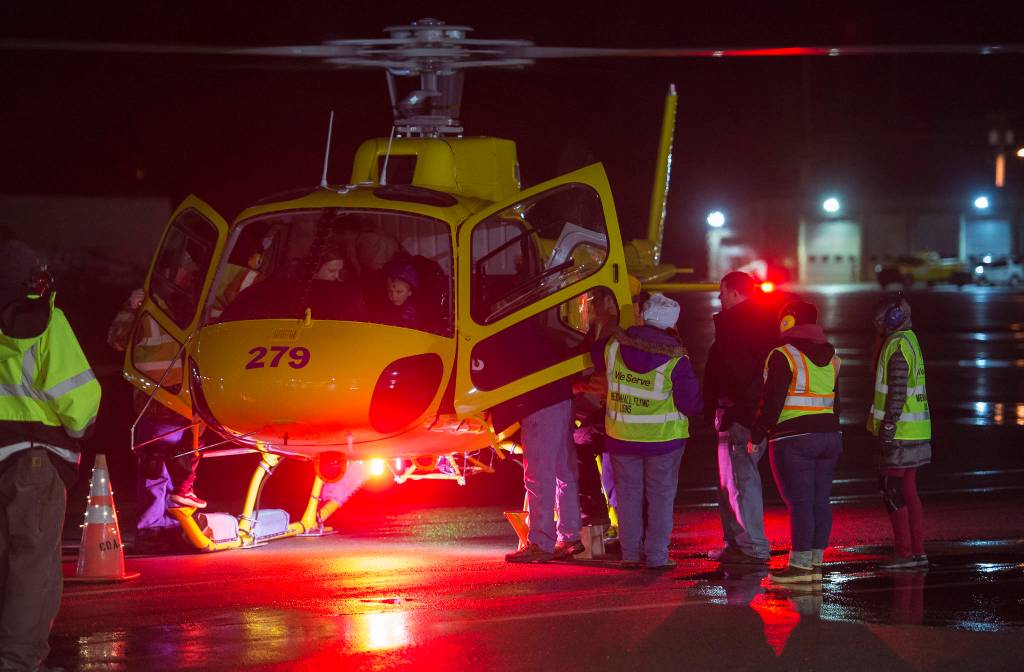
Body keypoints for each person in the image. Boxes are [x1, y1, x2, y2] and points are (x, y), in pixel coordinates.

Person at [0, 239, 101, 671]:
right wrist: (80, 431)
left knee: (6, 562)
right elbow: (79, 399)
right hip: (35, 460)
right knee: (32, 565)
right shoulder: (47, 322)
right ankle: (19, 662)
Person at [591, 293, 702, 569]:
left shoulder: (614, 347)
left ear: (643, 316)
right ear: (672, 324)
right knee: (660, 499)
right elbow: (691, 404)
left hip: (621, 437)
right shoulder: (677, 359)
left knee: (627, 498)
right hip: (664, 441)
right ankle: (656, 557)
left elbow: (596, 357)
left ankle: (629, 555)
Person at [108, 287, 206, 554]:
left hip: (184, 400)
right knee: (155, 465)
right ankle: (153, 528)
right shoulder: (147, 306)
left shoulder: (194, 303)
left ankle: (176, 525)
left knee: (183, 463)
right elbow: (117, 340)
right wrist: (131, 308)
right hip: (156, 400)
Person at [751, 300, 842, 584]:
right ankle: (815, 561)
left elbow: (773, 399)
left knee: (800, 502)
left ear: (789, 322)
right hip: (829, 437)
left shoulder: (783, 355)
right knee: (819, 500)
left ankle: (800, 566)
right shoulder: (833, 355)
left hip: (794, 440)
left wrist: (759, 431)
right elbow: (836, 401)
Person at [703, 271, 777, 564]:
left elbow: (750, 377)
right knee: (730, 483)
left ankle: (753, 547)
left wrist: (739, 413)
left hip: (739, 416)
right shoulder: (756, 324)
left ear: (734, 292)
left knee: (740, 481)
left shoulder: (740, 327)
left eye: (722, 292)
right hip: (736, 414)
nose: (719, 298)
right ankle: (737, 544)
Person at [500, 316, 581, 563]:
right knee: (562, 471)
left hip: (539, 406)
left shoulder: (512, 335)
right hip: (560, 400)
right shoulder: (541, 332)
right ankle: (569, 536)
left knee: (538, 474)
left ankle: (540, 541)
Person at [868, 296, 931, 569]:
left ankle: (905, 553)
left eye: (880, 318)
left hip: (900, 432)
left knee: (891, 490)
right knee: (908, 489)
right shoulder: (910, 341)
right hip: (916, 430)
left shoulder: (896, 345)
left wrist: (888, 428)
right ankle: (917, 552)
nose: (877, 323)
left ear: (893, 318)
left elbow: (896, 390)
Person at [378, 260, 419, 329]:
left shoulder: (411, 312)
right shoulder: (386, 305)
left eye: (399, 292)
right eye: (390, 291)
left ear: (410, 292)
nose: (393, 296)